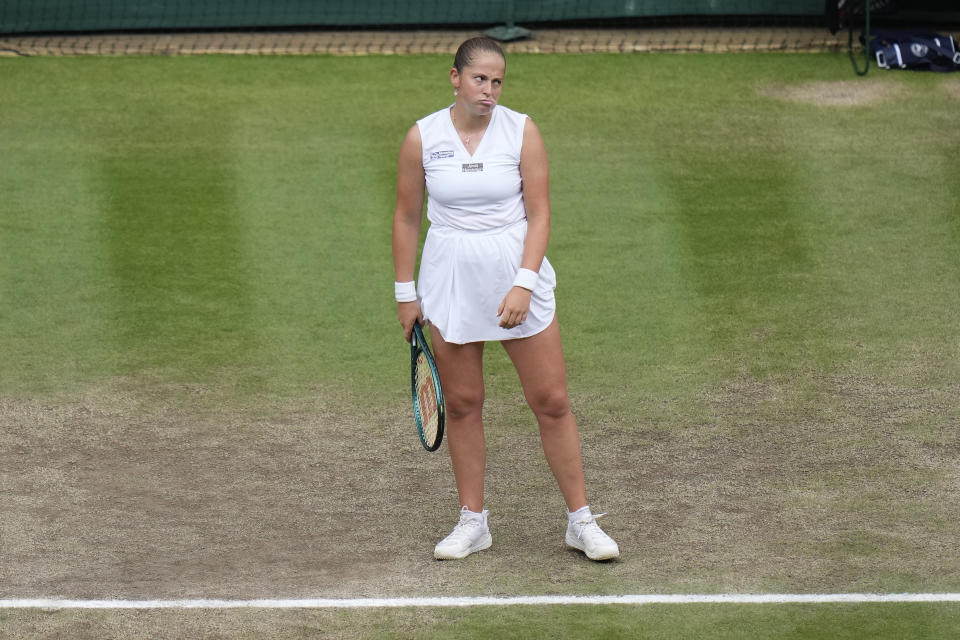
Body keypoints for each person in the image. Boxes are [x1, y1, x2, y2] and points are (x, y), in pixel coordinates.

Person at [392, 36, 619, 562]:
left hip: (515, 275)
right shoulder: (422, 138)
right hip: (449, 280)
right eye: (479, 79)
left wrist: (524, 282)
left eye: (497, 81)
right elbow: (406, 217)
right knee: (466, 403)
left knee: (553, 402)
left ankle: (580, 522)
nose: (489, 91)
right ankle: (474, 522)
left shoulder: (522, 130)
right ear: (455, 78)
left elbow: (539, 214)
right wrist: (406, 295)